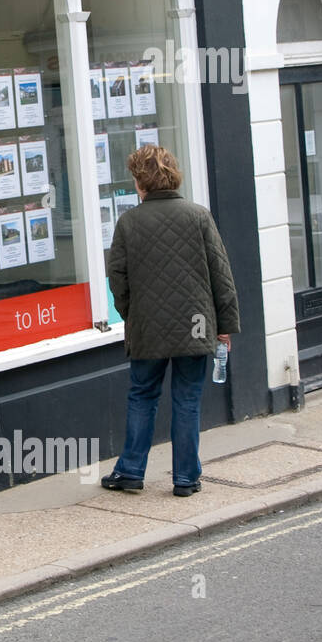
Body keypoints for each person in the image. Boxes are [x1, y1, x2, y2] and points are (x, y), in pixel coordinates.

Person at [103, 145, 240, 497]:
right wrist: (224, 327)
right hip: (195, 324)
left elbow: (117, 278)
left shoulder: (128, 222)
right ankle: (186, 479)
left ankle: (131, 472)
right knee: (187, 399)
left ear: (140, 181)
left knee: (142, 395)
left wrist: (130, 314)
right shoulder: (198, 216)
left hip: (147, 326)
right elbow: (220, 276)